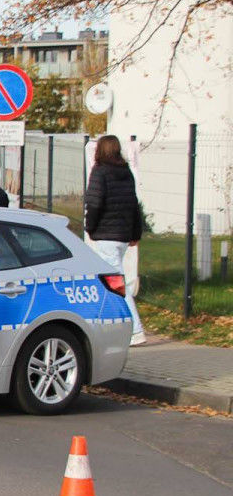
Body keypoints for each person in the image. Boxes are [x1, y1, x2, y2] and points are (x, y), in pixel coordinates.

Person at [85, 135, 146, 346]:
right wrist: (135, 234)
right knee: (107, 282)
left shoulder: (100, 171)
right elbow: (134, 204)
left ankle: (135, 330)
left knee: (116, 284)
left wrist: (90, 227)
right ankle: (103, 326)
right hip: (121, 235)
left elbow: (94, 203)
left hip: (105, 234)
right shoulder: (126, 172)